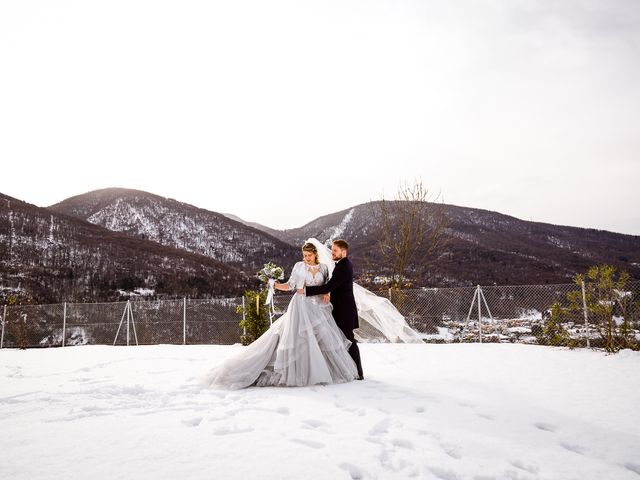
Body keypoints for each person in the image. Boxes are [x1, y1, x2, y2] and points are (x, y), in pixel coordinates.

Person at [203, 242, 358, 389]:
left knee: (321, 339)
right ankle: (297, 372)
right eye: (304, 255)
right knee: (299, 339)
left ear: (315, 254)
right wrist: (275, 284)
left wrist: (327, 292)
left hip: (319, 308)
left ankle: (323, 371)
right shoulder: (299, 266)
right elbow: (290, 285)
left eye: (309, 255)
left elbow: (327, 285)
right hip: (301, 306)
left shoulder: (324, 268)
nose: (306, 258)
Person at [301, 239, 364, 380]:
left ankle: (359, 373)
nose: (332, 253)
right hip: (341, 309)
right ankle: (349, 370)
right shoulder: (342, 264)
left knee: (349, 340)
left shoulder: (343, 267)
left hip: (345, 311)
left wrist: (305, 290)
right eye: (332, 249)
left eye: (335, 251)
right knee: (342, 340)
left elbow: (328, 287)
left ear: (343, 251)